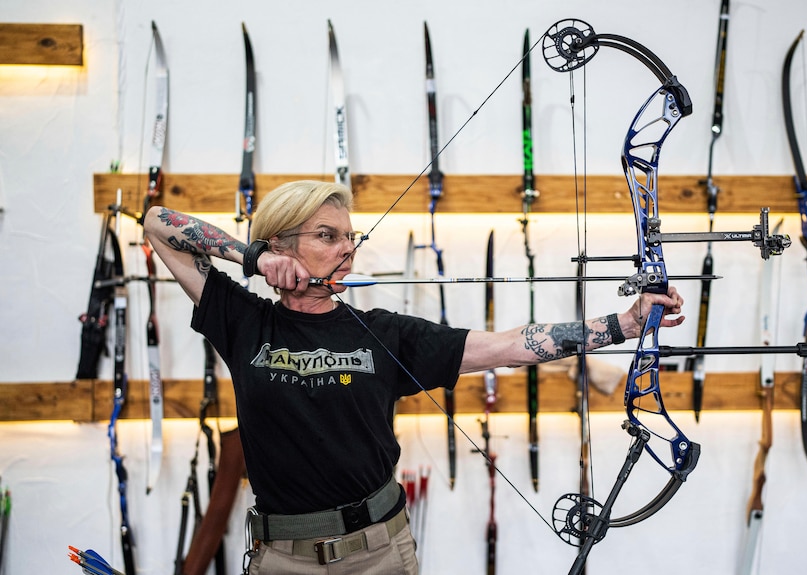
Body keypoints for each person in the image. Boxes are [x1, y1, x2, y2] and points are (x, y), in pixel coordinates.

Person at [143, 180, 684, 575]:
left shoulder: (384, 333)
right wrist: (251, 257)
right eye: (327, 236)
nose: (346, 250)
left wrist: (625, 323)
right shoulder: (243, 321)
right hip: (283, 558)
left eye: (349, 238)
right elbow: (158, 224)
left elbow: (507, 345)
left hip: (378, 553)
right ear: (282, 245)